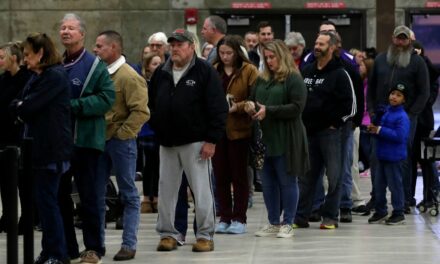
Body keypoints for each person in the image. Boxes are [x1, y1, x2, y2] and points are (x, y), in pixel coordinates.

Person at [149, 28, 228, 252]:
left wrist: (212, 139)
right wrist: (157, 125)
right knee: (167, 191)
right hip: (167, 142)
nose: (174, 48)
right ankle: (169, 234)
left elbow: (218, 108)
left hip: (196, 142)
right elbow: (152, 102)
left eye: (179, 45)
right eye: (172, 45)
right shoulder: (162, 72)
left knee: (201, 191)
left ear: (191, 47)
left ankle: (204, 235)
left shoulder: (204, 71)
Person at [10, 32, 73, 264]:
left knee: (48, 203)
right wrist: (22, 106)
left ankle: (57, 253)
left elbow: (27, 107)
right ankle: (49, 251)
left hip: (51, 151)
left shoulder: (54, 77)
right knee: (43, 204)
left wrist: (22, 107)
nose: (25, 59)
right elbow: (16, 103)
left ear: (40, 53)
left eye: (28, 55)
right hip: (37, 150)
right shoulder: (37, 76)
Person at [58, 13, 115, 263]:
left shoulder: (94, 65)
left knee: (89, 197)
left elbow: (107, 99)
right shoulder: (57, 64)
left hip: (87, 142)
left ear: (82, 34)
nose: (65, 32)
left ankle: (93, 249)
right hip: (61, 143)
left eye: (71, 28)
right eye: (62, 28)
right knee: (59, 196)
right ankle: (67, 248)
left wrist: (75, 105)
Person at [93, 30, 150, 261]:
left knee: (128, 193)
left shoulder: (128, 76)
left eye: (99, 46)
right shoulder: (99, 73)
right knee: (96, 192)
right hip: (99, 141)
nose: (95, 50)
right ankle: (97, 244)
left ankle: (129, 244)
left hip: (120, 142)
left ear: (113, 48)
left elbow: (141, 111)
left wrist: (123, 135)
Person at [244, 39, 309, 238]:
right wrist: (249, 105)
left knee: (287, 182)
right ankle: (273, 221)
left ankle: (288, 222)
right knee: (268, 183)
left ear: (282, 56)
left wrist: (268, 111)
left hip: (287, 138)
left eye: (273, 57)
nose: (270, 61)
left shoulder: (293, 78)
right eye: (267, 57)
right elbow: (255, 100)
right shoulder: (261, 79)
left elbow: (297, 108)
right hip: (265, 139)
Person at [295, 32, 355, 230]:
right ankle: (301, 216)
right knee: (306, 177)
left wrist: (335, 123)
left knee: (334, 176)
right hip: (309, 132)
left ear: (332, 48)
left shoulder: (340, 73)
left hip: (330, 133)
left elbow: (350, 106)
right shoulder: (307, 70)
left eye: (321, 44)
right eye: (316, 42)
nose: (317, 46)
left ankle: (330, 217)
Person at [367, 25, 429, 213]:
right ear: (393, 39)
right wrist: (371, 111)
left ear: (409, 41)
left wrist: (411, 115)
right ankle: (377, 201)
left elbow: (424, 92)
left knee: (401, 160)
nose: (400, 42)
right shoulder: (380, 60)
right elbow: (371, 88)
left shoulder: (417, 63)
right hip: (380, 116)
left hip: (404, 119)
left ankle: (404, 201)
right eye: (398, 38)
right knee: (376, 158)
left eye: (404, 39)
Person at [211, 35, 259, 234]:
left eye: (229, 53)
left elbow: (255, 99)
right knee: (220, 175)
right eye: (221, 53)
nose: (225, 57)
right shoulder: (214, 70)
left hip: (240, 130)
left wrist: (236, 106)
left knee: (239, 176)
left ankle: (239, 218)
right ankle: (224, 216)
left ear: (238, 52)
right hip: (218, 129)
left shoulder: (249, 71)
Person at [0, 41, 32, 234]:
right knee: (4, 181)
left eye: (2, 56)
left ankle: (27, 217)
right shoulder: (3, 79)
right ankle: (7, 216)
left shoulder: (26, 79)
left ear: (14, 58)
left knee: (22, 181)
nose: (0, 60)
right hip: (3, 137)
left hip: (19, 137)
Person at [367, 84, 410, 225]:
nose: (394, 97)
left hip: (394, 158)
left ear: (404, 100)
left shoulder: (402, 117)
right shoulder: (386, 112)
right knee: (378, 185)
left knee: (395, 186)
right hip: (382, 155)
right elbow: (381, 130)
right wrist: (374, 129)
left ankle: (399, 212)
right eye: (393, 94)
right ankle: (381, 211)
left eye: (398, 95)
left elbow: (399, 136)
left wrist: (379, 130)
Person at [139, 52, 162, 214]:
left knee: (160, 164)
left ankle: (158, 196)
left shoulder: (164, 81)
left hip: (161, 127)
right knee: (149, 165)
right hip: (147, 128)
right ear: (147, 66)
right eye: (154, 63)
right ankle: (147, 197)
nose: (158, 66)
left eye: (160, 63)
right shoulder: (143, 83)